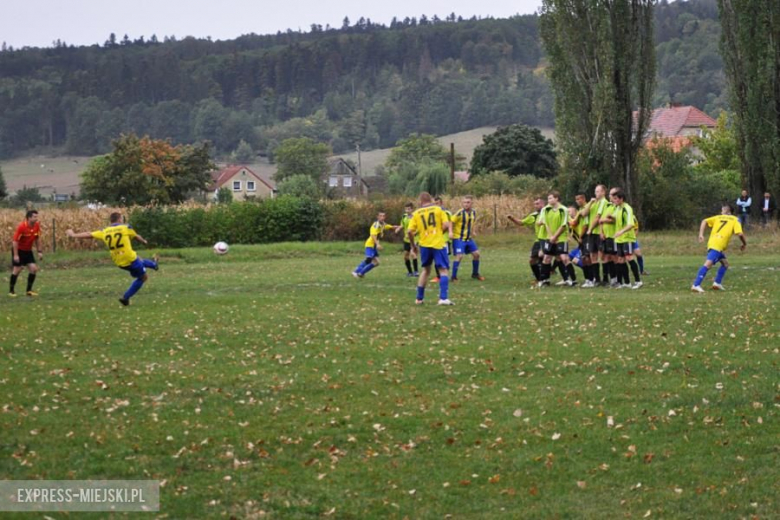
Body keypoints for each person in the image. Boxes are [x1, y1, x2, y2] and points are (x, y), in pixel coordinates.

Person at [66, 212, 159, 306]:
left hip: (118, 261)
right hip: (129, 258)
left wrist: (74, 235)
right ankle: (125, 298)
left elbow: (89, 234)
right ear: (119, 219)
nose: (122, 221)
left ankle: (154, 265)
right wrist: (144, 241)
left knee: (138, 259)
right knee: (143, 277)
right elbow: (136, 236)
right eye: (122, 219)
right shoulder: (126, 227)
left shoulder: (105, 231)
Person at [408, 192, 454, 305]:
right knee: (443, 270)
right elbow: (446, 224)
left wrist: (413, 246)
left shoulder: (416, 213)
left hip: (424, 244)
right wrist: (439, 232)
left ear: (420, 201)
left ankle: (419, 298)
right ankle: (443, 298)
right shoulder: (438, 209)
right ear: (431, 199)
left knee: (426, 270)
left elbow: (409, 231)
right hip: (438, 243)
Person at [691, 204, 746, 293]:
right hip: (718, 244)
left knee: (725, 264)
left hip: (713, 242)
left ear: (727, 212)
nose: (721, 212)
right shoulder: (736, 219)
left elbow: (704, 221)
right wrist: (744, 244)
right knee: (708, 264)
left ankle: (717, 283)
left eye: (722, 210)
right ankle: (696, 285)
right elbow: (740, 234)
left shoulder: (718, 217)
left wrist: (701, 234)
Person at [536, 191, 573, 287]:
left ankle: (569, 279)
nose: (549, 200)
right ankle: (544, 280)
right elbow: (544, 223)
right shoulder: (545, 209)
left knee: (562, 258)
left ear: (556, 198)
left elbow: (563, 225)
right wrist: (551, 237)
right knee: (546, 258)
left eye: (551, 198)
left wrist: (555, 237)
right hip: (550, 237)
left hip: (560, 237)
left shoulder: (563, 209)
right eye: (548, 199)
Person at [352, 212, 401, 278]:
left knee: (376, 262)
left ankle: (361, 273)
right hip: (370, 245)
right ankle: (356, 271)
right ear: (377, 217)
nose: (382, 217)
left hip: (374, 246)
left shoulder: (383, 224)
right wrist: (377, 244)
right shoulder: (376, 225)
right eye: (380, 216)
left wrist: (400, 227)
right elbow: (373, 235)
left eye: (383, 216)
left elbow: (390, 227)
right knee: (369, 259)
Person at [507, 197, 545, 283]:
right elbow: (521, 222)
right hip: (538, 240)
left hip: (548, 239)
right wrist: (512, 218)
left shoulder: (549, 213)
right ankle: (539, 279)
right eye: (535, 204)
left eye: (538, 204)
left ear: (543, 204)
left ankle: (546, 277)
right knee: (532, 260)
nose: (536, 206)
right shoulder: (534, 215)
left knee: (544, 256)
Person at [612, 189, 642, 289]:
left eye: (616, 199)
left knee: (629, 258)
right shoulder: (617, 208)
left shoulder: (627, 208)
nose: (614, 200)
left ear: (621, 199)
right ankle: (627, 282)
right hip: (619, 239)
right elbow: (614, 218)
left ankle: (638, 281)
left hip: (627, 237)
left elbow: (630, 224)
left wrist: (620, 231)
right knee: (620, 260)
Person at [9, 209, 43, 297]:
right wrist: (16, 255)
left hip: (28, 251)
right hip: (19, 250)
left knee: (34, 269)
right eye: (34, 217)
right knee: (17, 270)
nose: (36, 218)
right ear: (29, 218)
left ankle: (29, 291)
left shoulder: (36, 226)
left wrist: (39, 251)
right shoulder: (22, 227)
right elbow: (15, 242)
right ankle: (11, 291)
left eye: (37, 217)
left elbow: (37, 238)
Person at [451, 195, 485, 281]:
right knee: (459, 256)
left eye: (468, 202)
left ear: (472, 203)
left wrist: (473, 231)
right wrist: (451, 232)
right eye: (464, 202)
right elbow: (451, 222)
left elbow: (472, 223)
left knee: (476, 254)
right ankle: (453, 277)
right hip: (459, 238)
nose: (466, 204)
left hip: (468, 239)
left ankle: (475, 274)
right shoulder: (459, 213)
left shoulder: (473, 212)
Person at [583, 185, 609, 286]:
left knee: (603, 255)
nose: (596, 193)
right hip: (592, 234)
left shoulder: (604, 202)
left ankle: (606, 278)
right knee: (592, 255)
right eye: (595, 191)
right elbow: (584, 214)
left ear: (603, 192)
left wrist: (590, 229)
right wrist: (590, 202)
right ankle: (597, 279)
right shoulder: (594, 203)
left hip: (599, 232)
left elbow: (598, 217)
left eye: (598, 191)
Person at [431, 196, 453, 283]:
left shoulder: (446, 213)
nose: (436, 205)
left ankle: (445, 275)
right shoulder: (433, 213)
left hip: (444, 239)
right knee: (436, 257)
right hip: (435, 239)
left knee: (444, 257)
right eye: (435, 203)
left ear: (441, 203)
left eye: (438, 203)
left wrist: (450, 232)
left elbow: (449, 223)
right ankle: (439, 276)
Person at [401, 203, 419, 277]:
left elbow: (419, 227)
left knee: (413, 254)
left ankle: (416, 271)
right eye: (406, 209)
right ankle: (410, 272)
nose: (407, 210)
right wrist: (398, 228)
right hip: (406, 239)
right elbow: (402, 225)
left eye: (409, 209)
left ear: (412, 209)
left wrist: (414, 233)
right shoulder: (404, 217)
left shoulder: (415, 217)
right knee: (405, 257)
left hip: (414, 239)